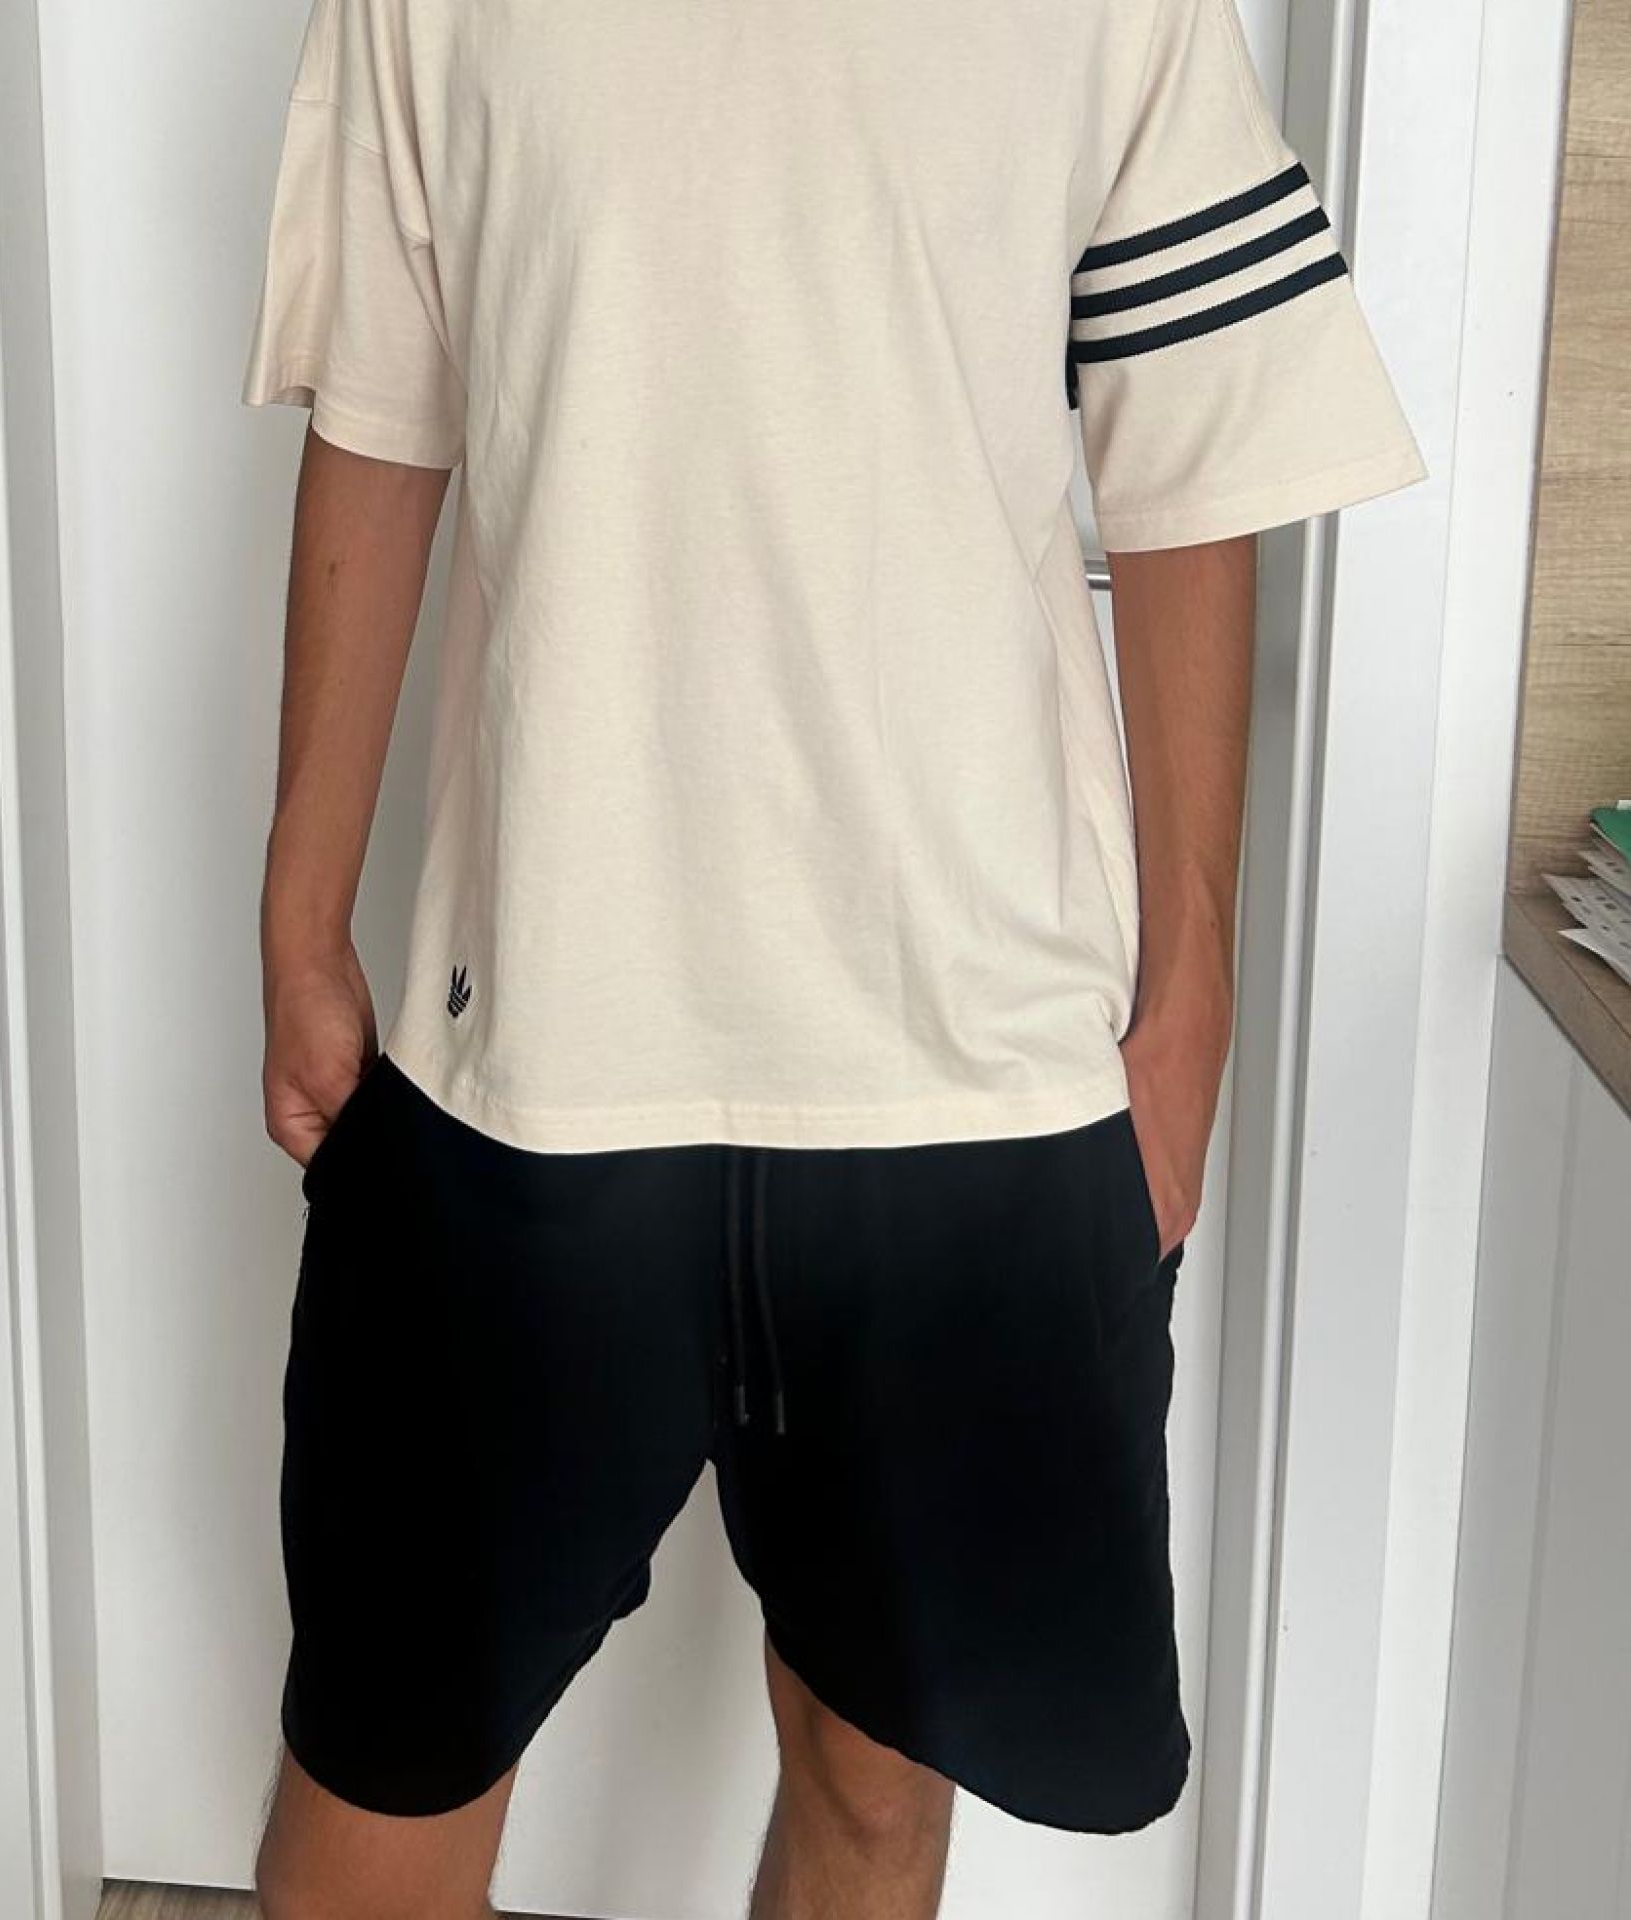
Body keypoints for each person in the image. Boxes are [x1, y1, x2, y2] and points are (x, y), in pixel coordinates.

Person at [239, 0, 1424, 1908]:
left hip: (966, 1060)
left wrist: (1189, 1002)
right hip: (533, 1046)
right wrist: (301, 908)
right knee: (376, 1807)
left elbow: (1193, 452)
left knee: (877, 1790)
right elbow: (382, 407)